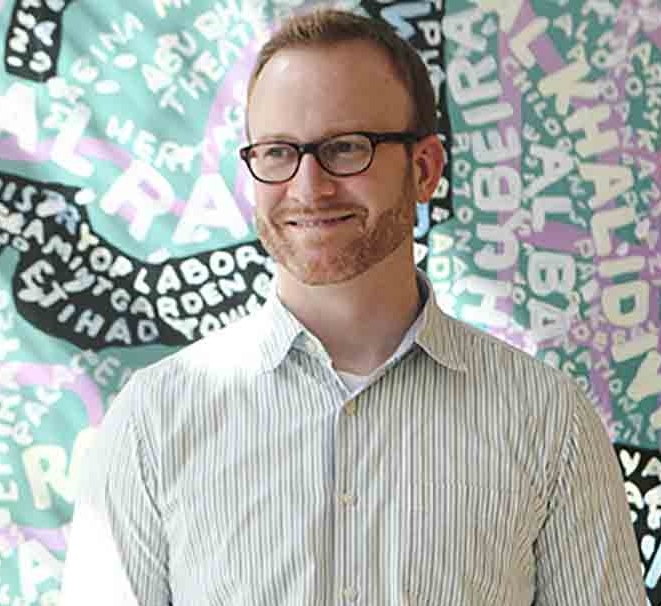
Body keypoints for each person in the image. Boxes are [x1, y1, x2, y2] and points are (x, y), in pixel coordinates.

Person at [60, 8, 646, 606]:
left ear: (425, 170)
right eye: (278, 152)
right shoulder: (154, 420)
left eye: (346, 148)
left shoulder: (547, 420)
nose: (309, 187)